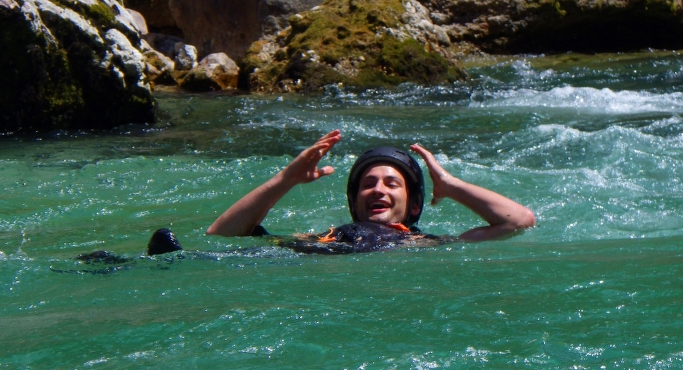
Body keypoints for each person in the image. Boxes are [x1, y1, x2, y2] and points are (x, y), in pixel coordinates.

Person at [205, 129, 535, 250]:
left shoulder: (427, 245)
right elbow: (221, 235)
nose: (378, 190)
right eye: (368, 184)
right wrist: (286, 179)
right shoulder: (324, 239)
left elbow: (519, 221)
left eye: (392, 184)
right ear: (355, 203)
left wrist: (452, 186)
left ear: (414, 206)